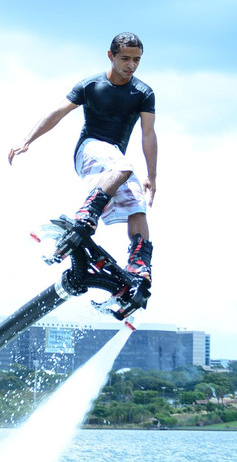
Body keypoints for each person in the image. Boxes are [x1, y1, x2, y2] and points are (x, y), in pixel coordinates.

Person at [8, 32, 158, 286]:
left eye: (136, 60)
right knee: (122, 166)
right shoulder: (91, 85)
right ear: (111, 56)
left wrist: (152, 176)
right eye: (125, 58)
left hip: (114, 162)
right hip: (88, 150)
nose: (131, 65)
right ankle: (87, 214)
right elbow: (58, 112)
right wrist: (27, 140)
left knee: (137, 204)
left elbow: (148, 134)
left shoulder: (143, 92)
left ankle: (138, 264)